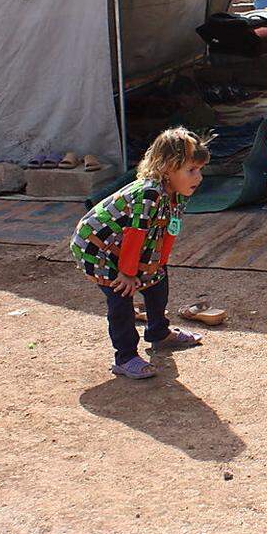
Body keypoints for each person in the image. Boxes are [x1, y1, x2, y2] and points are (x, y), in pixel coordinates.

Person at [71, 128, 208, 380]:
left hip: (125, 247)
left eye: (199, 169)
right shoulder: (150, 193)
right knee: (120, 295)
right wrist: (127, 273)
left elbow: (169, 230)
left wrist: (157, 265)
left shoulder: (177, 194)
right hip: (97, 248)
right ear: (167, 168)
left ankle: (159, 333)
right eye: (191, 170)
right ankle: (125, 357)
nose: (198, 177)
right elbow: (136, 235)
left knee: (158, 281)